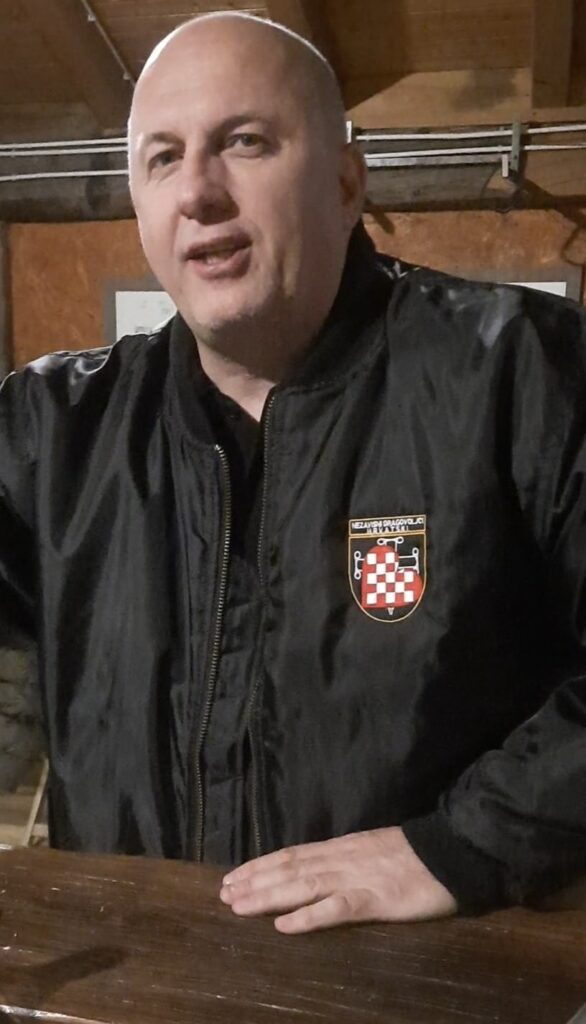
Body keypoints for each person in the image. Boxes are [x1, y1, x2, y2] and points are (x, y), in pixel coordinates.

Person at [1, 11, 586, 935]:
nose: (198, 191)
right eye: (163, 158)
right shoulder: (51, 431)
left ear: (347, 183)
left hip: (430, 987)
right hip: (139, 985)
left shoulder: (521, 375)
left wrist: (462, 845)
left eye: (245, 142)